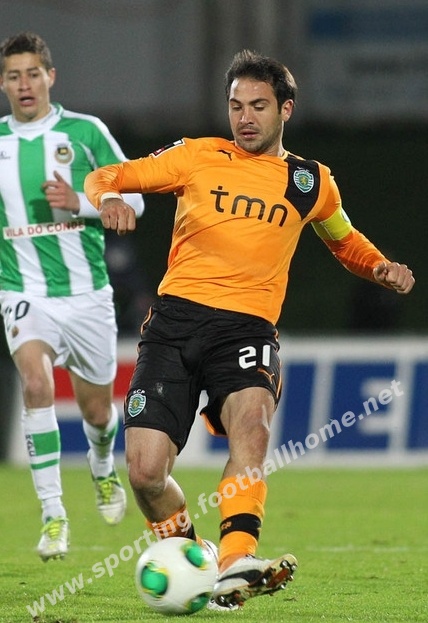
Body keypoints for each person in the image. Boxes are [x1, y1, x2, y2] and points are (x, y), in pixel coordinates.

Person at [84, 49, 415, 609]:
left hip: (247, 329)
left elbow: (344, 241)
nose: (244, 117)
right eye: (236, 106)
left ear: (285, 109)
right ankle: (196, 562)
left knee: (252, 426)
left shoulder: (311, 182)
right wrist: (109, 198)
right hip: (174, 324)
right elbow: (105, 174)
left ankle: (237, 559)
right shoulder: (197, 156)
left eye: (258, 106)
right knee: (144, 474)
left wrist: (379, 266)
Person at [0, 32, 145, 562]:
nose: (24, 84)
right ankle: (53, 515)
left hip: (87, 295)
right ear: (3, 83)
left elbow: (134, 199)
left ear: (50, 77)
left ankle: (103, 467)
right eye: (13, 75)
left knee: (99, 412)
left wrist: (82, 202)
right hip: (23, 290)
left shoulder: (85, 133)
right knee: (36, 384)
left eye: (32, 73)